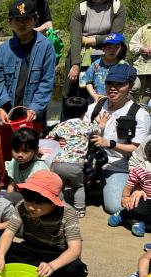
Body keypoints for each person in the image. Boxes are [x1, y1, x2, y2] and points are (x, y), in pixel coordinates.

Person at [0, 170, 88, 277]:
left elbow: (75, 249)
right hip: (30, 248)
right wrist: (0, 258)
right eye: (28, 200)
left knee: (75, 268)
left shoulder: (68, 213)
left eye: (38, 203)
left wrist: (52, 265)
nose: (31, 207)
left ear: (53, 202)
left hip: (55, 254)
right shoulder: (22, 206)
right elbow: (9, 232)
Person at [0, 0, 56, 188]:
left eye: (26, 19)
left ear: (35, 19)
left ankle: (27, 190)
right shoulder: (2, 50)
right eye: (17, 20)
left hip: (30, 117)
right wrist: (1, 107)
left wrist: (35, 107)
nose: (22, 23)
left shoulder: (45, 48)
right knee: (2, 156)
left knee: (27, 156)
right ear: (10, 22)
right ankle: (2, 190)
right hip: (4, 116)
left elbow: (46, 81)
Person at [83, 63, 150, 213]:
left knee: (115, 207)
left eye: (120, 84)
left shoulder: (140, 115)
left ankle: (115, 186)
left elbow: (137, 150)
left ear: (131, 85)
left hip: (118, 167)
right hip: (90, 162)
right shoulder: (95, 107)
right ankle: (94, 184)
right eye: (110, 83)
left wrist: (109, 144)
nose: (113, 88)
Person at [65, 0, 126, 100]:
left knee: (102, 95)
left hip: (107, 57)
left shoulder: (117, 7)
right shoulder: (81, 8)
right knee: (73, 95)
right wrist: (75, 64)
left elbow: (115, 37)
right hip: (80, 55)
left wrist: (90, 39)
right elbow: (75, 39)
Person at [46, 97, 100, 217]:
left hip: (57, 163)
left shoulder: (60, 125)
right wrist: (102, 124)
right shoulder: (87, 125)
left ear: (64, 111)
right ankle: (79, 209)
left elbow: (48, 139)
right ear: (85, 112)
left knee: (59, 186)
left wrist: (57, 141)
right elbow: (98, 131)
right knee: (78, 186)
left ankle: (60, 205)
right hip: (76, 164)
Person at [107, 136, 151, 236]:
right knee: (136, 208)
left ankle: (134, 220)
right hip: (145, 196)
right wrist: (127, 196)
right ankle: (128, 216)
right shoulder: (144, 168)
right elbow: (131, 181)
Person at [4, 127, 49, 203]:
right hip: (25, 197)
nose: (20, 155)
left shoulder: (40, 169)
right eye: (16, 150)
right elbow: (11, 184)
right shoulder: (14, 162)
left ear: (35, 150)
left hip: (39, 200)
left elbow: (42, 193)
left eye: (25, 151)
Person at [81, 33, 127, 102]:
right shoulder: (96, 64)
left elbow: (127, 85)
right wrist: (94, 95)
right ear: (103, 49)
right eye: (109, 47)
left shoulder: (123, 65)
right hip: (96, 99)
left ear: (121, 49)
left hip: (116, 100)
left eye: (116, 47)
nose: (112, 50)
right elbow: (88, 81)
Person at [129, 21, 151, 105]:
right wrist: (142, 49)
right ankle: (128, 106)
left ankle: (143, 108)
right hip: (141, 65)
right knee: (134, 87)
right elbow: (132, 44)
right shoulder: (144, 29)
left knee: (148, 90)